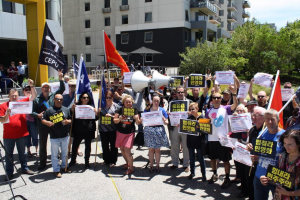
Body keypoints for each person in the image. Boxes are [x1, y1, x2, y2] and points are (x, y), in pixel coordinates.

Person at [0, 79, 36, 180]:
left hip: (22, 133)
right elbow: (2, 120)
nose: (14, 97)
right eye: (12, 96)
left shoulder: (21, 102)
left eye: (16, 95)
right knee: (8, 155)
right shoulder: (3, 106)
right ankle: (9, 172)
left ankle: (24, 168)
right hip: (8, 135)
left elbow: (33, 96)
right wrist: (7, 113)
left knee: (23, 153)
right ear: (9, 96)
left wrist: (32, 86)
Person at [247, 109, 285, 200]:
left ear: (278, 120)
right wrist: (253, 153)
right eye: (267, 119)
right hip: (259, 176)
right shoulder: (261, 133)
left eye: (272, 119)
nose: (270, 121)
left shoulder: (284, 135)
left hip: (276, 178)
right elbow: (260, 155)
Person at [206, 84, 238, 189]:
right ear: (212, 99)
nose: (216, 99)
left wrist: (233, 93)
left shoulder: (226, 108)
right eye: (214, 97)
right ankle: (214, 174)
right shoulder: (208, 111)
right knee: (212, 158)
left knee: (225, 160)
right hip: (212, 138)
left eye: (218, 97)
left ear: (221, 99)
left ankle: (227, 178)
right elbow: (205, 123)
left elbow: (235, 105)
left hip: (223, 140)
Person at [32, 69, 65, 170]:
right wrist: (37, 115)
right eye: (44, 87)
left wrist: (60, 78)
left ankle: (56, 160)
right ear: (41, 89)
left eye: (48, 87)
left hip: (53, 123)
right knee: (42, 144)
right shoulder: (37, 99)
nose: (46, 89)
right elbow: (31, 112)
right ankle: (42, 162)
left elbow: (62, 89)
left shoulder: (53, 96)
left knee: (56, 143)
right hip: (42, 125)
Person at [259, 129, 300, 200]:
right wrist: (266, 178)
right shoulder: (282, 156)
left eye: (290, 144)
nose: (286, 146)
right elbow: (279, 176)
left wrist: (288, 193)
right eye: (285, 143)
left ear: (298, 144)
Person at [238, 106, 266, 200]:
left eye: (257, 115)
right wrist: (248, 147)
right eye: (253, 115)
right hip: (249, 163)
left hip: (261, 165)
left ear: (264, 117)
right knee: (249, 185)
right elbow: (248, 144)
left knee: (259, 191)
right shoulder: (252, 129)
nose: (254, 117)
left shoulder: (266, 131)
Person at [42, 94, 72, 178]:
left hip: (65, 135)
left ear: (63, 100)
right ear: (54, 100)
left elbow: (71, 119)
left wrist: (68, 122)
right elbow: (43, 119)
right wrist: (46, 122)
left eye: (61, 99)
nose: (59, 101)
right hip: (54, 136)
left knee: (65, 153)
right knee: (55, 155)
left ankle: (64, 166)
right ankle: (56, 170)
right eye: (57, 99)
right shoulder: (49, 110)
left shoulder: (66, 109)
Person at [69, 92, 99, 169]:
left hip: (89, 129)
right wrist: (72, 110)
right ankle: (73, 160)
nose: (86, 99)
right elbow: (71, 115)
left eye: (87, 98)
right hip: (78, 129)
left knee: (87, 146)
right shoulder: (76, 106)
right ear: (81, 98)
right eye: (84, 97)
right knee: (75, 146)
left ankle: (87, 162)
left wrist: (96, 114)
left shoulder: (91, 107)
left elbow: (96, 118)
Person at [113, 95, 141, 175]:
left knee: (127, 151)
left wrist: (137, 119)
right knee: (122, 150)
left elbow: (138, 123)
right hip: (120, 132)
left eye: (130, 102)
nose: (128, 103)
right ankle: (127, 162)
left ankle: (131, 168)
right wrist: (119, 119)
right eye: (127, 102)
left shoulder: (135, 111)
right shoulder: (119, 110)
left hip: (129, 133)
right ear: (123, 102)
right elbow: (115, 120)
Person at [142, 94, 169, 173]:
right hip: (149, 131)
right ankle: (151, 166)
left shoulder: (162, 110)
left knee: (157, 150)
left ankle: (157, 166)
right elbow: (143, 120)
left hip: (159, 130)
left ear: (159, 101)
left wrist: (164, 120)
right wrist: (141, 119)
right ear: (152, 101)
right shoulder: (147, 110)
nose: (156, 102)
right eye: (154, 101)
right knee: (151, 150)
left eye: (157, 101)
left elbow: (167, 122)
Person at [168, 85, 192, 172]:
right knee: (174, 145)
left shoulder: (189, 102)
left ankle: (186, 164)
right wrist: (169, 114)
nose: (180, 94)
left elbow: (196, 112)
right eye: (179, 92)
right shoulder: (172, 102)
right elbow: (169, 114)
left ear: (185, 92)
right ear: (176, 93)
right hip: (175, 127)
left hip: (185, 127)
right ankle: (175, 163)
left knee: (186, 147)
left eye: (182, 92)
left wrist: (191, 112)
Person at [186, 103, 206, 181]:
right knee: (191, 158)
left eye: (193, 109)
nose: (191, 111)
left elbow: (206, 130)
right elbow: (185, 129)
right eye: (190, 109)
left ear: (197, 109)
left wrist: (200, 130)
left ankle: (203, 174)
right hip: (190, 141)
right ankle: (192, 172)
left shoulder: (202, 117)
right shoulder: (188, 118)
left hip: (199, 141)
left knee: (201, 158)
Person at [99, 90, 120, 167]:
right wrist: (97, 112)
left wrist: (111, 116)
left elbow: (120, 116)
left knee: (113, 145)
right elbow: (97, 117)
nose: (108, 99)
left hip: (113, 129)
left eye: (110, 97)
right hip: (103, 129)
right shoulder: (102, 106)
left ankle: (113, 161)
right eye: (107, 97)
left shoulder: (116, 106)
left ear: (113, 97)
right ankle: (106, 160)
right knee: (104, 145)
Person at [22, 84, 39, 157]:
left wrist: (32, 86)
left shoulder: (31, 98)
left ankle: (37, 150)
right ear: (23, 91)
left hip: (32, 121)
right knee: (27, 137)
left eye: (29, 89)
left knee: (35, 136)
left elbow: (35, 94)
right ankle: (28, 150)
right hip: (24, 121)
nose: (28, 91)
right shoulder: (20, 99)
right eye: (26, 90)